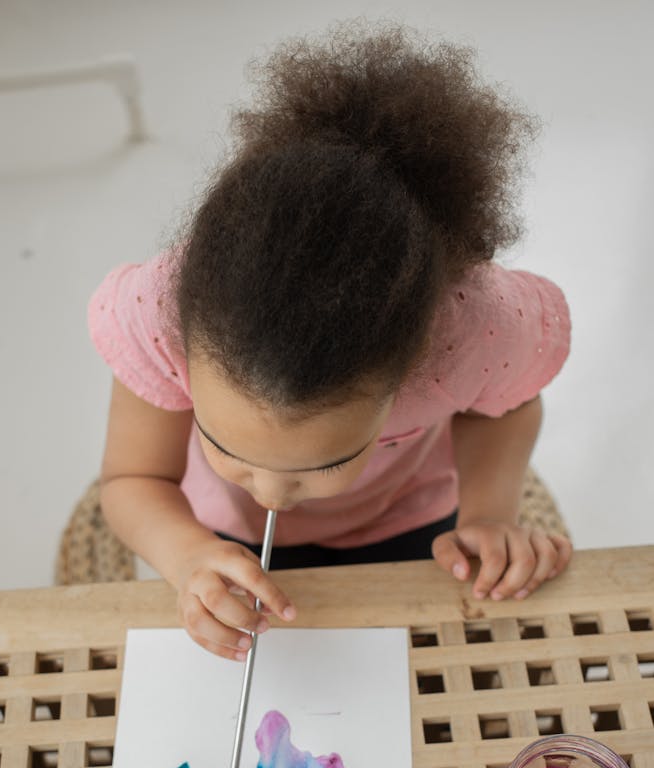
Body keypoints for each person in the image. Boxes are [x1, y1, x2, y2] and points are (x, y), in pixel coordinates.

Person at [91, 23, 572, 661]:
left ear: (412, 368)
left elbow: (506, 407)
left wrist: (487, 514)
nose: (269, 496)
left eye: (322, 463)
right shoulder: (160, 316)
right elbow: (131, 478)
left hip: (406, 518)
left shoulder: (473, 333)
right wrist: (190, 556)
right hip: (218, 534)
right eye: (226, 447)